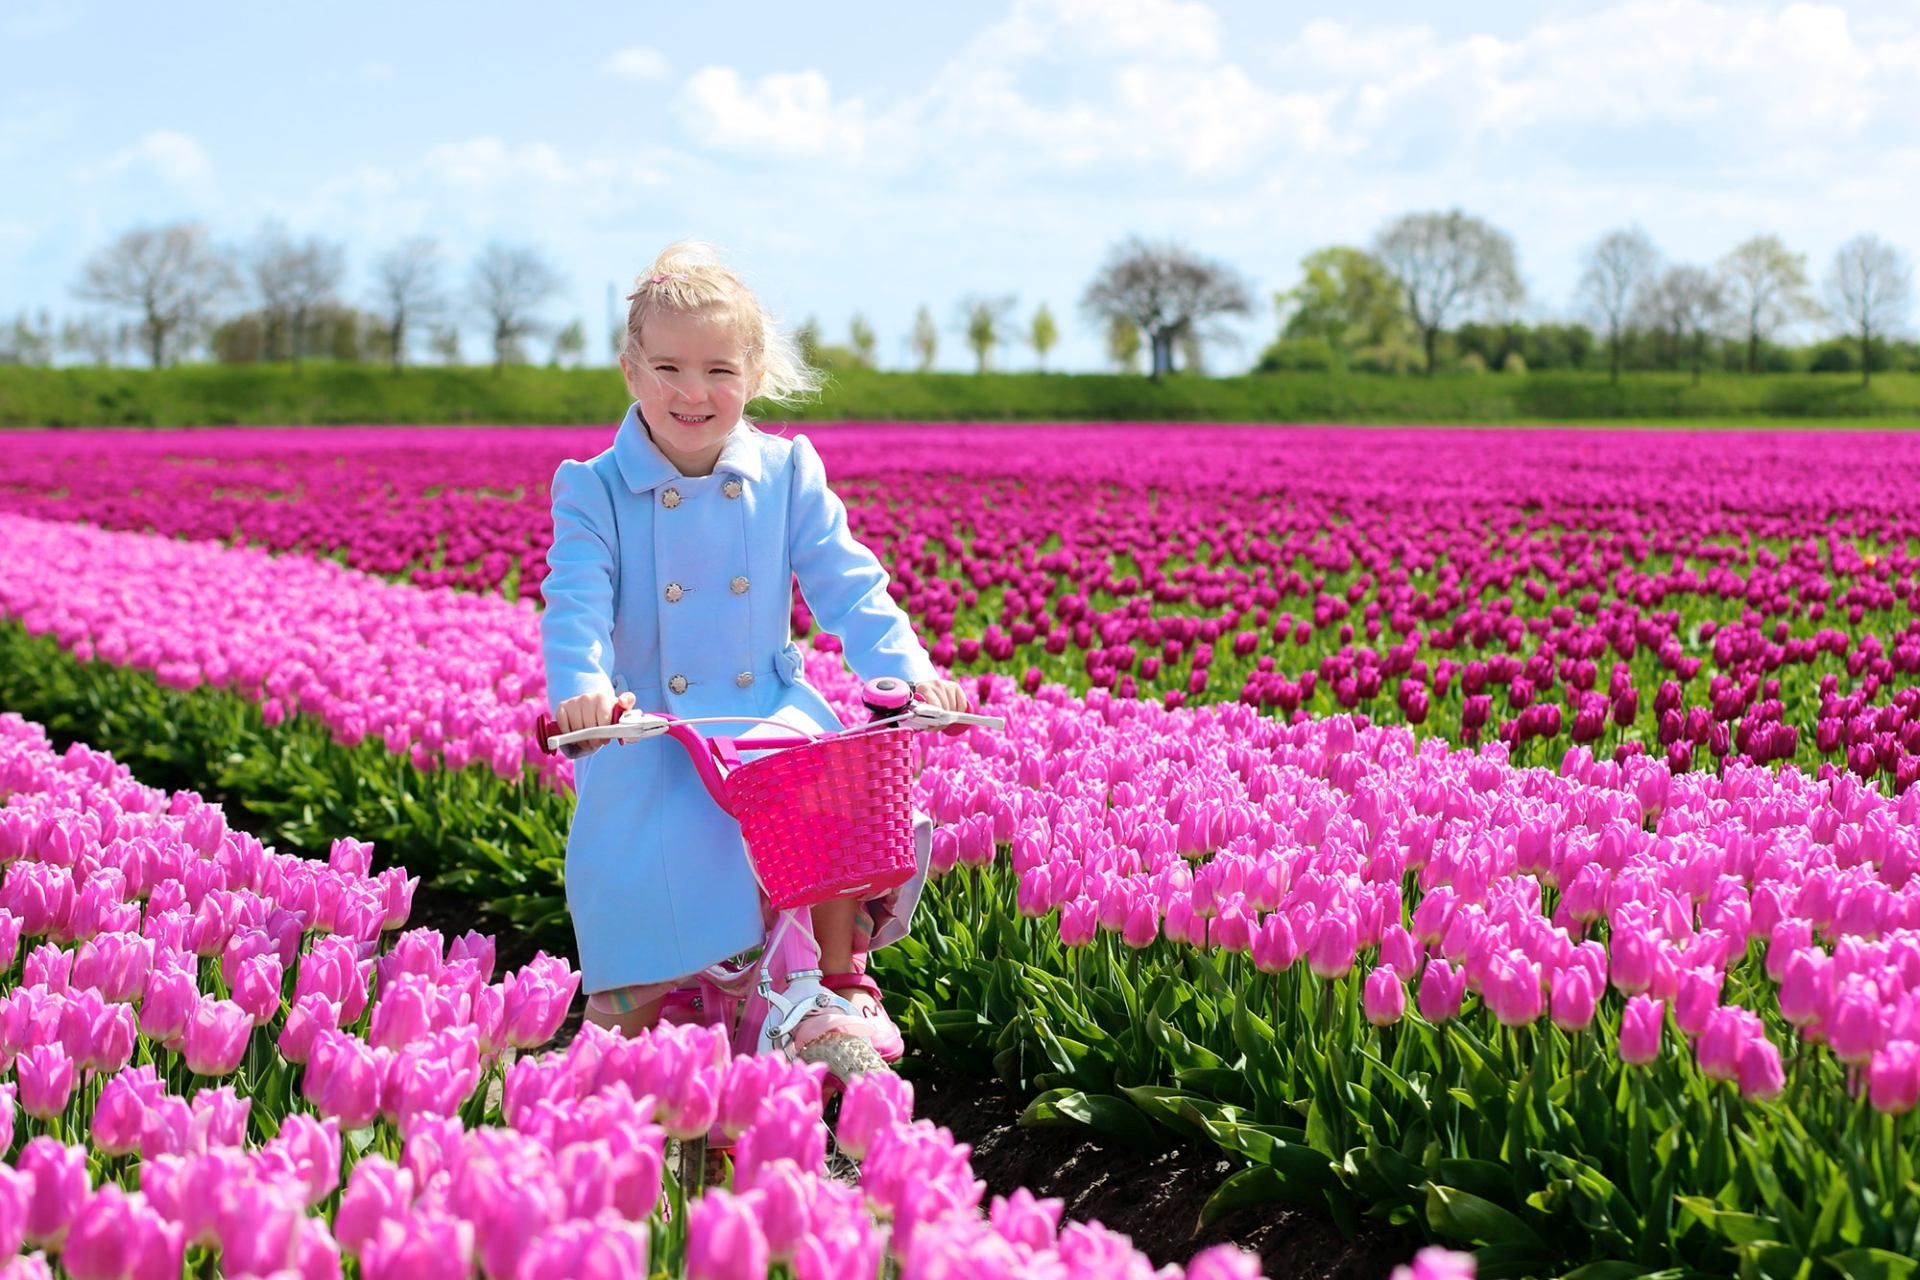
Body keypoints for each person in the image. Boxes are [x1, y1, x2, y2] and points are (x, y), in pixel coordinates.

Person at [541, 240, 967, 1072]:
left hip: (765, 707)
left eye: (719, 371)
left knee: (830, 778)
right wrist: (583, 692)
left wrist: (907, 670)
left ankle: (836, 980)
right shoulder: (592, 488)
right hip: (648, 727)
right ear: (629, 371)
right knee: (633, 930)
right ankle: (603, 1086)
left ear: (756, 372)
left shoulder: (786, 471)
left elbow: (851, 585)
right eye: (667, 367)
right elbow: (575, 605)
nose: (692, 393)